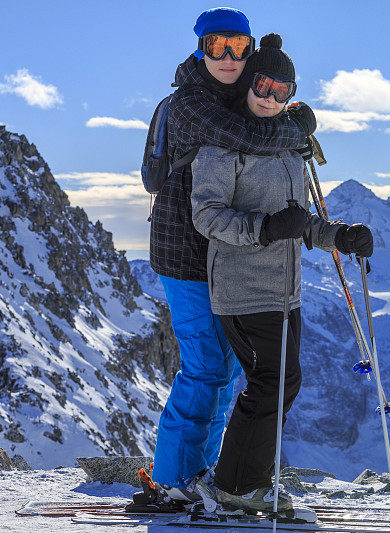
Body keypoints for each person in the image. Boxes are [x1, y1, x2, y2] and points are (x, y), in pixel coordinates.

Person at [140, 7, 317, 510]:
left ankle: (208, 475)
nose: (228, 57)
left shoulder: (234, 96)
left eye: (239, 48)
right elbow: (251, 138)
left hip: (226, 259)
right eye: (217, 45)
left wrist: (286, 115)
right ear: (199, 48)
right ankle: (171, 482)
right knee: (204, 369)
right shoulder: (192, 103)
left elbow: (261, 129)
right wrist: (298, 124)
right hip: (186, 256)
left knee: (221, 372)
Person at [191, 35, 373, 513]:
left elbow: (298, 220)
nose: (269, 98)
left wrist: (340, 237)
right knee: (269, 382)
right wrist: (266, 229)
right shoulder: (223, 144)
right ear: (249, 80)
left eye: (282, 90)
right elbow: (207, 217)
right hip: (243, 289)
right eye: (263, 85)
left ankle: (247, 481)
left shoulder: (291, 148)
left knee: (283, 382)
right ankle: (236, 486)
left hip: (285, 290)